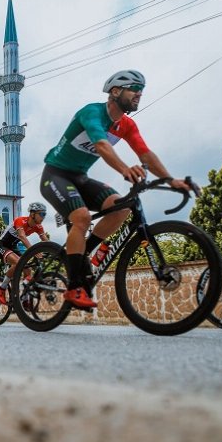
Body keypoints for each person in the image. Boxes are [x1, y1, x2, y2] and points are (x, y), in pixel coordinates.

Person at [40, 69, 191, 309]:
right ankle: (75, 286)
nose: (139, 94)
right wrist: (123, 169)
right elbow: (101, 144)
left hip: (80, 177)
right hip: (55, 175)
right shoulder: (92, 113)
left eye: (141, 90)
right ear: (115, 91)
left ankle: (81, 257)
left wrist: (171, 180)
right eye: (134, 89)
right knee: (81, 218)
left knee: (121, 208)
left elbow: (145, 154)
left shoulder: (127, 125)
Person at [0, 202, 50, 305]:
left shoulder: (38, 227)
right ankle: (2, 288)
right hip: (2, 246)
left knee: (28, 269)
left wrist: (55, 252)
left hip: (13, 247)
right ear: (33, 214)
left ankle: (25, 298)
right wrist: (34, 252)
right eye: (41, 214)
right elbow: (22, 237)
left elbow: (46, 241)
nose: (43, 217)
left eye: (45, 214)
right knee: (19, 262)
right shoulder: (20, 221)